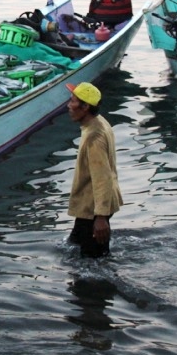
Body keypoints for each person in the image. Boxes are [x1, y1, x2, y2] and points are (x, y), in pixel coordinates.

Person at [64, 82, 123, 257]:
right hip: (90, 205)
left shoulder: (94, 137)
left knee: (93, 262)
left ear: (85, 107)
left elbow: (102, 177)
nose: (68, 105)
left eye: (73, 101)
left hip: (94, 208)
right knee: (74, 244)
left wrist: (101, 217)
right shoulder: (99, 122)